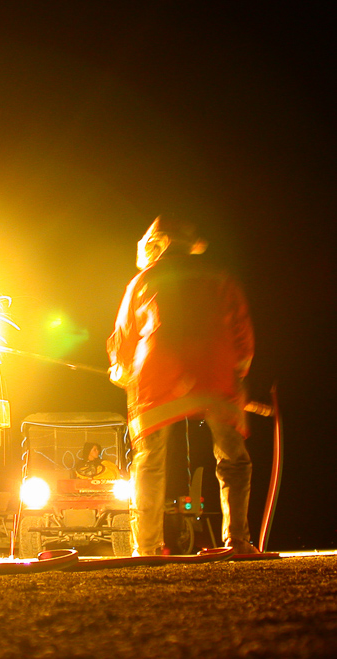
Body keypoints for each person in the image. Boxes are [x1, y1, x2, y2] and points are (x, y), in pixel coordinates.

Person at [107, 216, 259, 556]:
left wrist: (120, 369)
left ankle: (145, 548)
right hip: (216, 373)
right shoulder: (221, 278)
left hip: (158, 375)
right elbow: (242, 335)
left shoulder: (142, 281)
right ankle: (237, 542)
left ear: (156, 245)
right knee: (233, 460)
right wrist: (238, 371)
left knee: (149, 461)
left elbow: (124, 341)